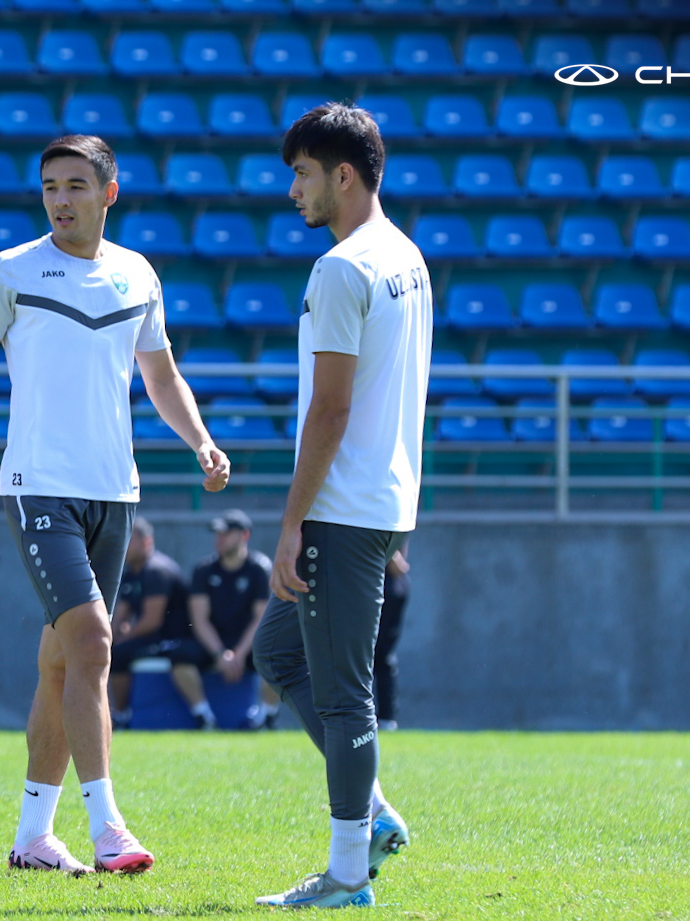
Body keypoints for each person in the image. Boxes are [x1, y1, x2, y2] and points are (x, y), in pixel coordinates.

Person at [0, 134, 230, 876]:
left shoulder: (137, 275)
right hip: (36, 488)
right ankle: (108, 828)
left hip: (113, 492)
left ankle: (33, 836)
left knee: (61, 663)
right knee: (94, 640)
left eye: (74, 186)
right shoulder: (8, 272)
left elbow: (160, 377)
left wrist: (200, 440)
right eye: (49, 187)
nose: (60, 200)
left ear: (108, 191)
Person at [252, 103, 433, 909]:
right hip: (379, 502)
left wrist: (290, 523)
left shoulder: (340, 268)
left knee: (341, 692)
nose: (294, 189)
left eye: (302, 173)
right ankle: (377, 816)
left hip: (342, 507)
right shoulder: (406, 256)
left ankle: (347, 873)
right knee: (277, 653)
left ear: (343, 175)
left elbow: (330, 410)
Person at [178, 509, 277, 731]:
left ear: (244, 535)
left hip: (248, 642)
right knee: (179, 656)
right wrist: (220, 653)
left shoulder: (260, 569)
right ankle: (204, 717)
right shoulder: (203, 570)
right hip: (214, 642)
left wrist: (239, 654)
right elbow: (199, 620)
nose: (219, 539)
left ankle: (266, 717)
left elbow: (261, 618)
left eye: (226, 533)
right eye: (217, 534)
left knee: (278, 655)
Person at [107, 518, 193, 729]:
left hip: (171, 639)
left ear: (146, 542)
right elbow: (120, 616)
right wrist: (111, 636)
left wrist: (122, 639)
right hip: (150, 638)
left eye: (129, 540)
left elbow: (151, 622)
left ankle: (120, 713)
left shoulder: (157, 570)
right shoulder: (130, 572)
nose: (123, 546)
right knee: (106, 650)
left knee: (118, 654)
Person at [372, 546, 410, 732]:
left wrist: (390, 553)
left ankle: (386, 718)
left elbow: (399, 566)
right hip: (375, 585)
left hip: (388, 586)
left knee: (381, 654)